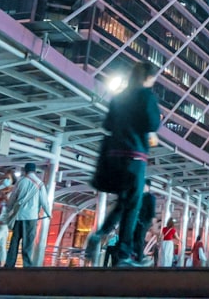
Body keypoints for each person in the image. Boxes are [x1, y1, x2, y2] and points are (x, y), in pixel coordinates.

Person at [85, 60, 162, 269]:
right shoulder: (146, 95)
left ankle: (100, 235)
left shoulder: (120, 96)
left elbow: (108, 124)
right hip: (135, 156)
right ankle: (123, 254)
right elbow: (153, 123)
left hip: (114, 156)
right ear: (148, 77)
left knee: (123, 202)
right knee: (132, 206)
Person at [4, 162, 51, 267]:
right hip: (31, 218)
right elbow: (44, 201)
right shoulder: (40, 184)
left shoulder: (20, 182)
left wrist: (8, 211)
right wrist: (49, 214)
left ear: (25, 171)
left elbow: (12, 198)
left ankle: (9, 265)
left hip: (18, 217)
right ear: (34, 171)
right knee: (28, 244)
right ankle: (27, 266)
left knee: (14, 242)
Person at [132, 187, 156, 264]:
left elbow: (151, 213)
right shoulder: (139, 197)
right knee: (137, 238)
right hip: (139, 222)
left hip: (143, 222)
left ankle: (139, 256)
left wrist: (149, 223)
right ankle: (137, 256)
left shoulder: (150, 197)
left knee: (139, 238)